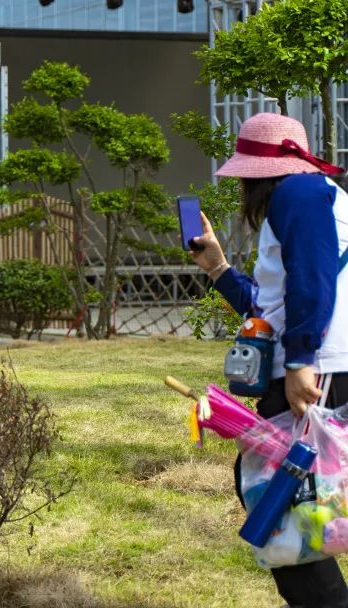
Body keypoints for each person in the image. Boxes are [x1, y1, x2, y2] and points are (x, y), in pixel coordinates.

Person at [190, 112, 348, 607]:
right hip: (325, 363)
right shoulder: (315, 195)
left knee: (282, 507)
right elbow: (271, 307)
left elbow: (313, 278)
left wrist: (301, 359)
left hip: (316, 368)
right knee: (313, 500)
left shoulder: (298, 193)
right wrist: (218, 268)